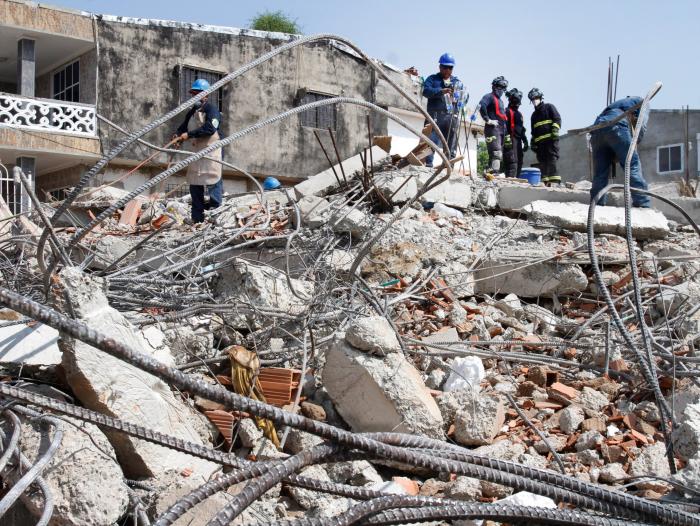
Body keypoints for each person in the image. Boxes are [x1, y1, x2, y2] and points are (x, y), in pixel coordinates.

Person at [175, 78, 224, 223]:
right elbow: (183, 127)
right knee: (195, 183)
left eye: (198, 93)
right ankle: (197, 218)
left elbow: (210, 128)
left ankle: (216, 216)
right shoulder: (192, 112)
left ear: (206, 95)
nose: (194, 96)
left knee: (213, 181)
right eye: (193, 94)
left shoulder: (212, 110)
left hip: (210, 152)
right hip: (196, 152)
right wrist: (178, 136)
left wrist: (189, 135)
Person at [590, 96, 650, 208]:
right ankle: (642, 203)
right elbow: (641, 126)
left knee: (600, 172)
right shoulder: (643, 102)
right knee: (632, 164)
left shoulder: (618, 104)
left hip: (597, 127)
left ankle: (597, 205)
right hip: (617, 122)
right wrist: (634, 144)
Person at [421, 53, 463, 167]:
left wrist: (458, 97)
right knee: (431, 141)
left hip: (450, 117)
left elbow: (464, 97)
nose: (447, 70)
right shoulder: (432, 79)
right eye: (445, 67)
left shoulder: (457, 82)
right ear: (440, 67)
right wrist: (441, 91)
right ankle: (429, 165)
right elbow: (425, 91)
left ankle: (448, 165)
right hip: (434, 116)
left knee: (451, 142)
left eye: (450, 68)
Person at [528, 88, 561, 186]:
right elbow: (533, 130)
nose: (535, 100)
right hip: (540, 144)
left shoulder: (549, 107)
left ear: (541, 98)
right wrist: (533, 141)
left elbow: (557, 119)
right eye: (532, 99)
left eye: (536, 98)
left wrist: (555, 129)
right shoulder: (533, 115)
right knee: (542, 161)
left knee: (551, 159)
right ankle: (545, 182)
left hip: (550, 140)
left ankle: (554, 181)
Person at [478, 76, 509, 174]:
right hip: (492, 128)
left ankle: (490, 172)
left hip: (501, 130)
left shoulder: (501, 101)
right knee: (496, 152)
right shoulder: (489, 96)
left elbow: (503, 117)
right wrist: (488, 120)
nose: (501, 90)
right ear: (494, 86)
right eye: (499, 87)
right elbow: (482, 105)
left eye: (503, 88)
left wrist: (507, 133)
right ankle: (494, 173)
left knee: (498, 154)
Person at [503, 89, 529, 178]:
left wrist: (525, 141)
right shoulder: (506, 111)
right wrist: (507, 139)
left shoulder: (519, 114)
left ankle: (516, 181)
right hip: (510, 139)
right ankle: (510, 183)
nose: (517, 104)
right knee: (512, 162)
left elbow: (521, 129)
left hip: (518, 141)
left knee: (519, 162)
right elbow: (504, 126)